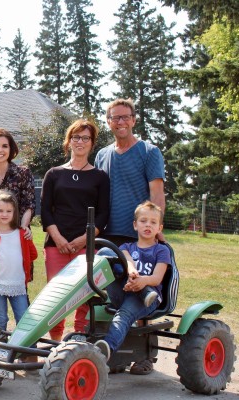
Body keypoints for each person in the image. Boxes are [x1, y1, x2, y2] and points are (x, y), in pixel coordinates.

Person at [94, 97, 166, 375]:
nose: (120, 122)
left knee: (144, 296)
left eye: (125, 117)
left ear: (134, 119)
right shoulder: (102, 155)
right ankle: (119, 353)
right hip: (111, 235)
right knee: (118, 294)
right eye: (115, 118)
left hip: (140, 234)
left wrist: (156, 229)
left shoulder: (149, 152)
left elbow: (157, 193)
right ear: (109, 121)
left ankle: (146, 355)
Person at [40, 119, 110, 340]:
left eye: (85, 138)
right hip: (55, 245)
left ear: (92, 143)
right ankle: (55, 340)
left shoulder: (100, 177)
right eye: (76, 137)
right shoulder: (53, 174)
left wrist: (84, 240)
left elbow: (103, 215)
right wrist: (58, 238)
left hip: (86, 246)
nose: (80, 142)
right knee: (55, 296)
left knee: (84, 294)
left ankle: (80, 337)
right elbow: (45, 210)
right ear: (69, 141)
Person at [95, 201, 170, 362]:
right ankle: (144, 291)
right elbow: (127, 262)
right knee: (105, 251)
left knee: (123, 315)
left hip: (147, 299)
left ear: (159, 228)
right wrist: (132, 273)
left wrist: (143, 281)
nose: (148, 225)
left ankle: (105, 349)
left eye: (153, 222)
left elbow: (157, 278)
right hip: (124, 290)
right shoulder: (127, 247)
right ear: (135, 225)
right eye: (143, 221)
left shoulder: (162, 250)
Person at [0, 190, 38, 331]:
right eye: (1, 211)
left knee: (23, 319)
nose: (4, 214)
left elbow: (33, 255)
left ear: (14, 212)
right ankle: (0, 349)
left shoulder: (22, 234)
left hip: (18, 285)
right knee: (0, 319)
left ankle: (25, 351)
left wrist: (29, 238)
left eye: (8, 211)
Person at [0, 128, 35, 240]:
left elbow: (29, 205)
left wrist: (23, 227)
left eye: (4, 146)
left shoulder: (23, 173)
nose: (0, 150)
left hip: (17, 233)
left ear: (10, 149)